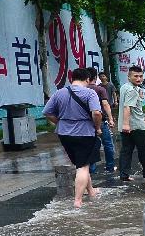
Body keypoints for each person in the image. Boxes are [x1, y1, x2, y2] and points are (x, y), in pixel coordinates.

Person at [42, 67, 103, 208]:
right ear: (87, 79)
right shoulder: (90, 93)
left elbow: (47, 112)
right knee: (82, 166)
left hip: (64, 134)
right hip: (84, 133)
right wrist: (98, 127)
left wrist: (60, 122)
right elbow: (97, 113)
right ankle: (78, 201)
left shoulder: (59, 93)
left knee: (81, 163)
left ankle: (91, 191)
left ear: (72, 79)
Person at [118, 65, 145, 182]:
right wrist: (126, 124)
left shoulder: (124, 87)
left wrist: (143, 118)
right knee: (144, 150)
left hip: (129, 125)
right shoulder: (132, 90)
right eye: (135, 76)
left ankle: (124, 175)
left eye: (140, 76)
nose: (138, 79)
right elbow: (127, 107)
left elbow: (134, 108)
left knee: (126, 150)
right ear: (129, 77)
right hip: (136, 126)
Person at [86, 67, 116, 174]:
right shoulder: (100, 89)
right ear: (95, 77)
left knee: (90, 146)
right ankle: (110, 167)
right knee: (108, 144)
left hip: (86, 123)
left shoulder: (82, 90)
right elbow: (105, 104)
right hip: (101, 120)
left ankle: (92, 169)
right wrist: (111, 119)